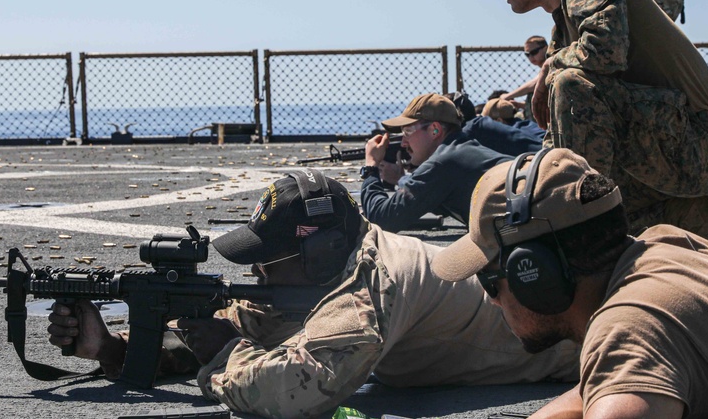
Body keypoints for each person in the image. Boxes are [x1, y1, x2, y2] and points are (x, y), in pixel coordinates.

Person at [48, 170, 579, 418]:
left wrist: (223, 355)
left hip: (564, 354)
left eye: (266, 261)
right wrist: (114, 349)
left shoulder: (373, 286)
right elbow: (252, 324)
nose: (255, 274)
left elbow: (298, 388)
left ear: (319, 253)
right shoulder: (318, 277)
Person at [432, 148, 708, 419]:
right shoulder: (666, 245)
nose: (492, 302)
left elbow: (629, 355)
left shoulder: (628, 326)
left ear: (535, 273)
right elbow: (619, 376)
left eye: (491, 281)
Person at [496, 0, 708, 246]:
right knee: (595, 207)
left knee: (570, 85)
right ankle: (699, 217)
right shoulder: (564, 29)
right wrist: (534, 199)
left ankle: (585, 245)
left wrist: (548, 69)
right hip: (679, 144)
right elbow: (558, 140)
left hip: (702, 144)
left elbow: (606, 48)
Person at [361, 93, 521, 231]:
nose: (403, 142)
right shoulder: (460, 150)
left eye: (408, 131)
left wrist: (371, 167)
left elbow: (381, 218)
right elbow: (430, 200)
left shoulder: (442, 162)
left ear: (434, 130)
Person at [503, 35, 549, 113]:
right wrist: (521, 105)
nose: (531, 57)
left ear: (545, 48)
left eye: (534, 52)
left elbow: (535, 83)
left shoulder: (551, 63)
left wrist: (507, 96)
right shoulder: (541, 69)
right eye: (527, 54)